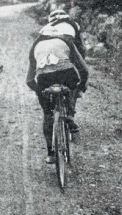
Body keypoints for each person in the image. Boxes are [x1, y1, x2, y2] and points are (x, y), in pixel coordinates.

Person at [26, 9, 89, 164]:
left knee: (47, 115)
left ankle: (50, 154)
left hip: (44, 78)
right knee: (72, 85)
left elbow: (29, 80)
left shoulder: (36, 45)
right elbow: (84, 69)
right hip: (66, 73)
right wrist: (80, 87)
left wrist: (39, 91)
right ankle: (69, 115)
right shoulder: (67, 39)